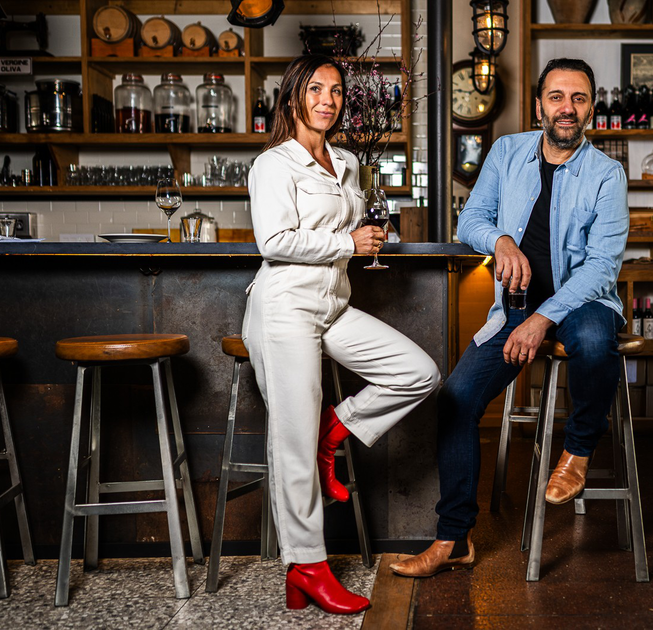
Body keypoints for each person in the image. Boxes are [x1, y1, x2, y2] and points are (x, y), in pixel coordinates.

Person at [390, 58, 629, 577]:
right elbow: (471, 218)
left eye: (580, 98)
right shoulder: (506, 152)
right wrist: (499, 241)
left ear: (591, 107)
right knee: (454, 403)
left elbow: (602, 267)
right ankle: (454, 538)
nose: (568, 108)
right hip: (512, 309)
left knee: (591, 337)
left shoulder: (608, 174)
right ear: (539, 104)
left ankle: (579, 450)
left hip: (579, 305)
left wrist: (542, 319)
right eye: (558, 97)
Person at [243, 54, 441, 613]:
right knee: (294, 446)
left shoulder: (348, 162)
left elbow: (351, 226)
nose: (327, 99)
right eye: (315, 89)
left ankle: (337, 428)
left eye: (335, 91)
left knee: (417, 372)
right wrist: (348, 245)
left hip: (332, 305)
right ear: (292, 98)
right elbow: (274, 242)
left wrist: (366, 236)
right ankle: (307, 567)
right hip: (284, 310)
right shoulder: (273, 165)